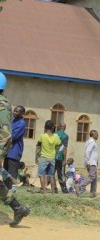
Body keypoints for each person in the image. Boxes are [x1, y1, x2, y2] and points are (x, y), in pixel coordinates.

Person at [0, 72, 30, 226]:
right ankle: (18, 208)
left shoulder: (2, 106)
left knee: (7, 176)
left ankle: (18, 207)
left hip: (9, 152)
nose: (15, 113)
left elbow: (6, 134)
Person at [36, 120, 62, 194]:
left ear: (45, 127)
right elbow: (59, 145)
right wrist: (55, 152)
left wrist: (37, 154)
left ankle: (44, 191)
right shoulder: (56, 136)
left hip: (43, 157)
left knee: (42, 175)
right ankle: (53, 192)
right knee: (51, 175)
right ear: (53, 127)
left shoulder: (42, 136)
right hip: (52, 158)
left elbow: (38, 145)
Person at [4, 105, 26, 189]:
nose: (14, 112)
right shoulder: (12, 121)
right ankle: (6, 192)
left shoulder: (22, 123)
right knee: (5, 173)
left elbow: (13, 136)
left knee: (12, 172)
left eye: (17, 111)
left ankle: (11, 192)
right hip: (7, 150)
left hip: (14, 151)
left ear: (22, 113)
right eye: (14, 110)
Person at [75, 130, 99, 198]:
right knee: (92, 177)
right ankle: (79, 186)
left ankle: (93, 192)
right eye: (97, 134)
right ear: (93, 135)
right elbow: (88, 152)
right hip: (91, 163)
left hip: (90, 162)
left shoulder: (88, 142)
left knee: (95, 178)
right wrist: (88, 162)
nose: (97, 136)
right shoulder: (92, 142)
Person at [54, 123, 69, 194]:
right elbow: (64, 148)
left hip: (52, 156)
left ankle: (54, 188)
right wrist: (64, 159)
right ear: (65, 128)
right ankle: (64, 188)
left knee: (52, 173)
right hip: (60, 157)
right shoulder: (65, 136)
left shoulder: (54, 134)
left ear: (59, 127)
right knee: (61, 173)